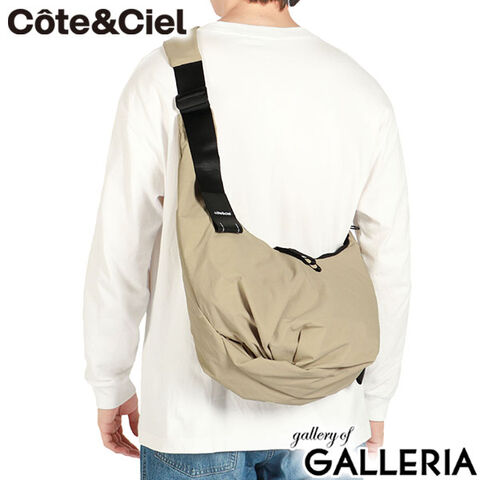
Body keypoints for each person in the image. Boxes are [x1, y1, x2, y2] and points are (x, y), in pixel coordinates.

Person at [83, 0, 411, 478]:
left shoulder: (165, 74)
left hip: (194, 417)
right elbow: (389, 262)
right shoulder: (361, 89)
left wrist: (110, 380)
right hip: (327, 415)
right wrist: (376, 396)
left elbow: (122, 248)